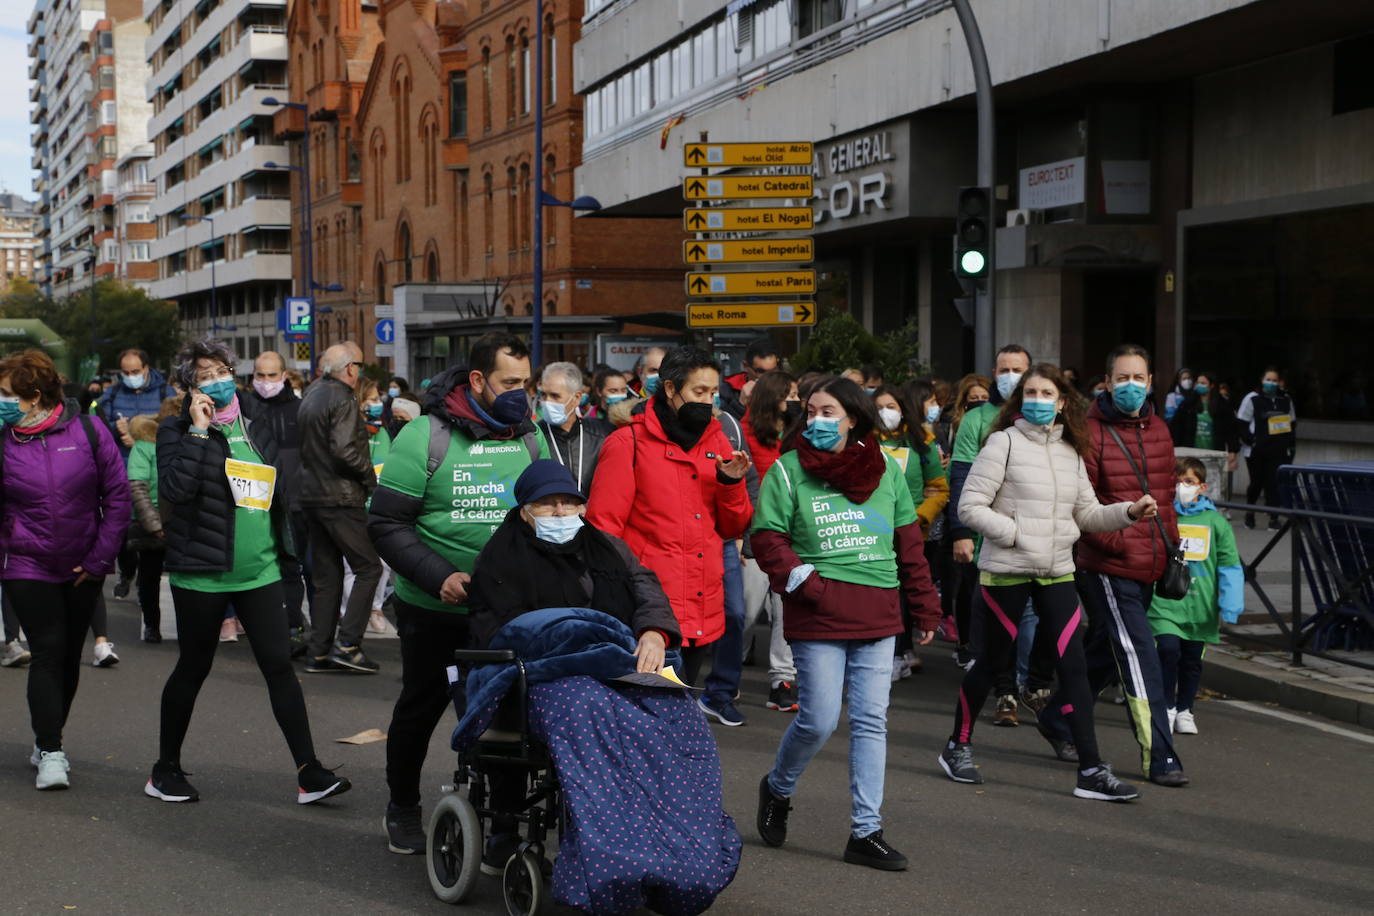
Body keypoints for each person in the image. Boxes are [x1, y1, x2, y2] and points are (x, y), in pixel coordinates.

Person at [147, 337, 348, 804]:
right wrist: (199, 431)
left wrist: (287, 554)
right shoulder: (174, 432)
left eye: (221, 371)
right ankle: (165, 770)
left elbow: (276, 493)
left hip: (260, 571)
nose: (217, 381)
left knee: (279, 666)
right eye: (204, 377)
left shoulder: (255, 425)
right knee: (193, 668)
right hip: (202, 570)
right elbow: (175, 491)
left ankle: (309, 772)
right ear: (188, 388)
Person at [368, 332, 548, 855]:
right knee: (421, 708)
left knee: (507, 718)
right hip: (432, 610)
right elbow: (385, 523)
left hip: (506, 612)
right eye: (509, 383)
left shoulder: (530, 437)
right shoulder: (425, 436)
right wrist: (438, 575)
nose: (521, 393)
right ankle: (402, 806)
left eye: (526, 383)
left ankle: (504, 825)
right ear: (477, 381)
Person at [751, 376, 940, 871]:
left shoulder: (887, 471)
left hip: (877, 610)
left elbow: (910, 545)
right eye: (810, 411)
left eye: (828, 411)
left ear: (852, 417)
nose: (816, 420)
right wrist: (811, 586)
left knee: (871, 721)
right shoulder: (788, 470)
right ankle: (778, 787)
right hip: (817, 613)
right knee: (818, 719)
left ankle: (866, 831)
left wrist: (924, 606)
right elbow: (768, 541)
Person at [940, 363, 1149, 803]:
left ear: (1063, 402)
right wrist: (1016, 534)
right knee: (991, 664)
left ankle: (1091, 769)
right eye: (1029, 392)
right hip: (1006, 573)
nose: (1036, 399)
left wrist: (1128, 511)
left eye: (1045, 393)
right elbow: (969, 507)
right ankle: (957, 745)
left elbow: (1087, 514)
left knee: (1071, 667)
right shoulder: (1003, 442)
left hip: (1057, 571)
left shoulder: (1071, 451)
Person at [1039, 343, 1190, 787]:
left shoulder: (1160, 429)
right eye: (1121, 378)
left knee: (1106, 651)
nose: (1130, 386)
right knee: (1139, 653)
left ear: (1150, 382)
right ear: (1106, 382)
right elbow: (1077, 504)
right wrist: (1117, 545)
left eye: (1138, 378)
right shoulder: (1088, 432)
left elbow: (1164, 498)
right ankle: (1159, 754)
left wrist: (1172, 549)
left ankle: (1057, 716)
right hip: (1107, 565)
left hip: (1152, 563)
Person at [586, 346, 753, 691]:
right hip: (649, 612)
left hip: (701, 604)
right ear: (671, 389)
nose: (707, 401)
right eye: (698, 392)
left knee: (679, 717)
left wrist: (731, 484)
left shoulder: (717, 439)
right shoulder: (627, 443)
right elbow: (604, 535)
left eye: (712, 392)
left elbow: (732, 527)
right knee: (645, 718)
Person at [0, 350, 130, 790]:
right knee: (49, 653)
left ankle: (46, 736)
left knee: (69, 659)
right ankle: (52, 751)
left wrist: (99, 559)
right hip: (25, 563)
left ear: (34, 397)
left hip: (82, 565)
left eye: (5, 394)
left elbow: (117, 497)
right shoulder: (2, 438)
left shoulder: (90, 431)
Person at [297, 342, 383, 674]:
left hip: (312, 494)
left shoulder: (312, 393)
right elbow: (345, 451)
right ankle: (349, 645)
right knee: (369, 568)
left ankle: (318, 651)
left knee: (326, 574)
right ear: (350, 369)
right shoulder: (343, 398)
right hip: (340, 495)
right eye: (359, 366)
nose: (359, 372)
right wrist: (368, 477)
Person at [1150, 459, 1243, 735]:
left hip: (1200, 605)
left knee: (1192, 660)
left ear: (1202, 487)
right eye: (1178, 481)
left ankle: (1185, 709)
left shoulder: (1216, 523)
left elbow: (1229, 564)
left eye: (1188, 482)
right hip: (1164, 601)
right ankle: (1165, 706)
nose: (1182, 487)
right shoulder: (1162, 515)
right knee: (1167, 650)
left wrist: (1230, 605)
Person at [873, 383, 948, 680]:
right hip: (873, 531)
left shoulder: (921, 443)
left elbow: (939, 490)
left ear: (903, 409)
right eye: (878, 406)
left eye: (890, 406)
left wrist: (917, 520)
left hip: (912, 531)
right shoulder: (863, 440)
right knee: (883, 593)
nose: (884, 413)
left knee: (905, 593)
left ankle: (899, 652)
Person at [739, 370, 802, 712]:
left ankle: (782, 680)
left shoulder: (800, 433)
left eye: (797, 394)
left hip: (791, 535)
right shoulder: (742, 431)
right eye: (788, 394)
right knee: (746, 612)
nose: (795, 401)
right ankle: (731, 667)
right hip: (753, 533)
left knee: (785, 610)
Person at [247, 350, 311, 655]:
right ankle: (263, 626)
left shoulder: (300, 410)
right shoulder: (245, 410)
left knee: (290, 568)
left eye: (272, 375)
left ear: (284, 376)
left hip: (293, 503)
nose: (266, 381)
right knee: (257, 566)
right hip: (253, 502)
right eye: (260, 375)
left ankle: (293, 626)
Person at [1236, 366, 1296, 530]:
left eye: (1274, 380)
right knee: (1256, 483)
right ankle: (1250, 513)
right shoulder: (1252, 398)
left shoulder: (1285, 400)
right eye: (1268, 380)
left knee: (1274, 483)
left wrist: (1290, 446)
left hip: (1278, 450)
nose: (1271, 383)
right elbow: (1242, 423)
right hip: (1256, 451)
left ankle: (1274, 517)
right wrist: (1251, 441)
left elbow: (1291, 424)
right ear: (1262, 381)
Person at [537, 362, 609, 495]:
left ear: (576, 398)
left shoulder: (601, 434)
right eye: (543, 395)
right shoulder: (534, 435)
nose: (547, 402)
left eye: (555, 396)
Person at [126, 414, 167, 642]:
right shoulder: (144, 447)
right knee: (150, 575)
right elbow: (138, 487)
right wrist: (154, 524)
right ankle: (152, 624)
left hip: (180, 520)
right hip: (153, 520)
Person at [720, 337, 781, 420]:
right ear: (745, 366)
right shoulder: (728, 390)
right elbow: (722, 424)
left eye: (773, 371)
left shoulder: (785, 386)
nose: (768, 377)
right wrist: (740, 404)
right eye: (761, 371)